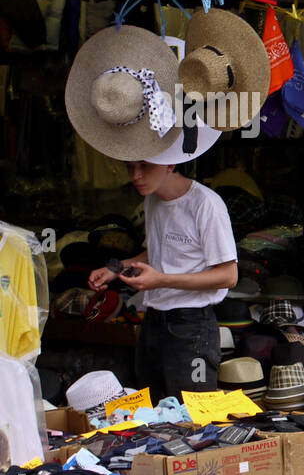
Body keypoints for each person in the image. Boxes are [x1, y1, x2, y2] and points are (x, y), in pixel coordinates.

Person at [88, 160, 238, 398]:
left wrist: (161, 280)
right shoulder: (152, 198)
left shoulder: (205, 203)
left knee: (192, 416)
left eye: (145, 166)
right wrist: (116, 268)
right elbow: (158, 251)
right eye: (130, 167)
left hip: (192, 324)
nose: (135, 175)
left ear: (170, 164)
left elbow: (228, 275)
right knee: (151, 412)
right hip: (154, 320)